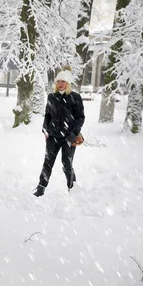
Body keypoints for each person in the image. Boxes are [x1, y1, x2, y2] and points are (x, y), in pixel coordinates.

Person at [33, 66, 85, 197]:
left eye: (63, 82)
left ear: (68, 84)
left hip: (69, 138)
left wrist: (72, 136)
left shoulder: (75, 97)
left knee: (67, 163)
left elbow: (80, 118)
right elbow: (47, 115)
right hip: (53, 136)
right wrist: (45, 129)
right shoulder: (51, 97)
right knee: (48, 162)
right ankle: (41, 187)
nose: (60, 84)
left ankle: (72, 187)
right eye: (58, 82)